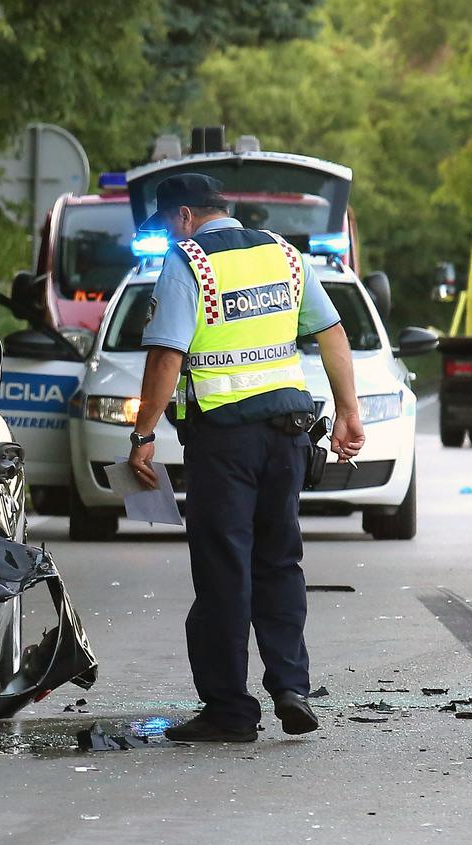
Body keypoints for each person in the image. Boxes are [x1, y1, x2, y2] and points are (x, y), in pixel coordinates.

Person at [126, 173, 365, 743]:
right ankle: (291, 686)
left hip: (224, 442)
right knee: (280, 561)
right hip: (289, 435)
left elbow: (166, 356)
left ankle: (230, 711)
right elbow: (331, 332)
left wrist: (142, 434)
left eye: (164, 222)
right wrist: (350, 412)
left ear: (184, 216)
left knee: (223, 570)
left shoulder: (189, 262)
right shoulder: (285, 254)